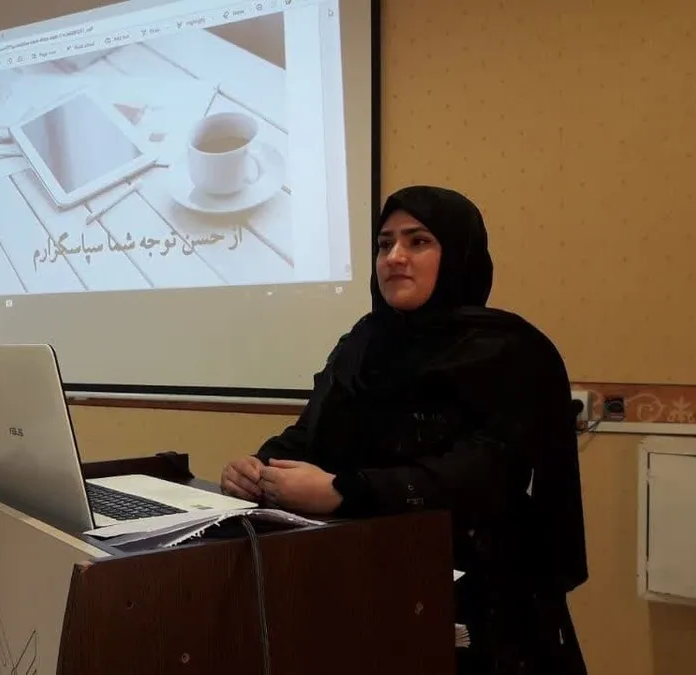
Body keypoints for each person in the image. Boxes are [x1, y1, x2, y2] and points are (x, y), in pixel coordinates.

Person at [220, 185, 589, 674]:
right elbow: (312, 433)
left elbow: (484, 472)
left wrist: (344, 491)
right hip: (358, 577)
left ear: (458, 254)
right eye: (384, 244)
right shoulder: (363, 343)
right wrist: (257, 466)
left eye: (418, 241)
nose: (395, 257)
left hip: (480, 597)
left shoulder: (509, 350)